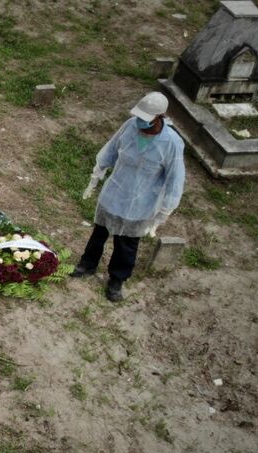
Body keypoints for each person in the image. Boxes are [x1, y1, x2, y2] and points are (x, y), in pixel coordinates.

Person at [72, 91, 185, 302]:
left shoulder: (172, 144)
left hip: (141, 201)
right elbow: (112, 149)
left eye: (146, 119)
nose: (140, 122)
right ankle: (87, 264)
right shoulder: (130, 126)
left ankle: (117, 279)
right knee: (100, 231)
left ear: (160, 117)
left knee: (127, 243)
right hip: (115, 190)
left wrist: (164, 212)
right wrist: (97, 173)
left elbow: (175, 180)